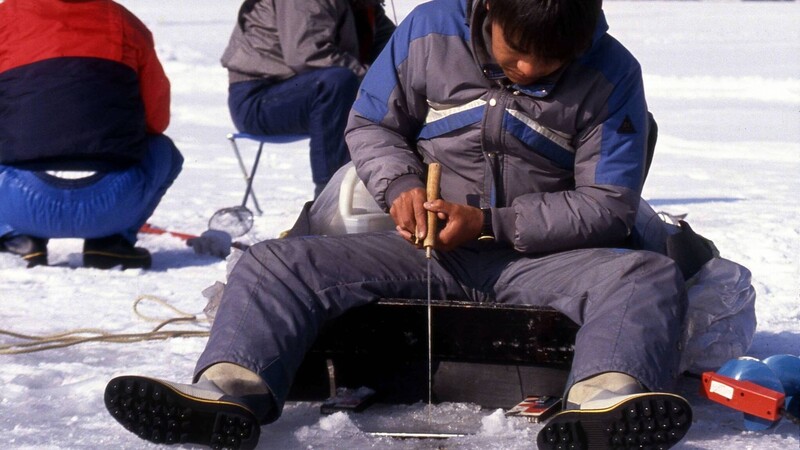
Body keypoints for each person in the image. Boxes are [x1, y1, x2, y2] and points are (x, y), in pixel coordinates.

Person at [103, 0, 693, 449]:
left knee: (647, 276)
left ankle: (601, 405)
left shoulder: (612, 72)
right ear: (488, 9)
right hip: (425, 249)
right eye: (516, 50)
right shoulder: (428, 32)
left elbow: (608, 204)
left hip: (542, 260)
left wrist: (491, 222)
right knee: (274, 263)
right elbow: (371, 125)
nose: (528, 68)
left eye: (551, 62)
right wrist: (402, 186)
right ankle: (229, 391)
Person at [0, 0, 184, 270]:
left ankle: (14, 237)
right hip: (112, 201)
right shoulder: (126, 23)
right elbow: (156, 120)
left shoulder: (6, 18)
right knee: (163, 150)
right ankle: (113, 242)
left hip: (19, 200)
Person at [221, 0, 396, 198]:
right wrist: (371, 81)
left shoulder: (363, 6)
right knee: (336, 83)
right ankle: (330, 196)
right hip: (258, 98)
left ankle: (394, 187)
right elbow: (308, 55)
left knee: (394, 89)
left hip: (312, 90)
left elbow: (395, 48)